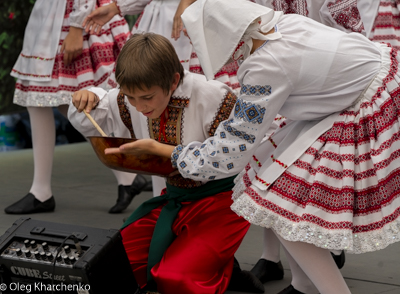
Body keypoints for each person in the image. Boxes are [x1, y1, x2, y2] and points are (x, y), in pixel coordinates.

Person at [110, 0, 400, 293]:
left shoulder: (266, 65)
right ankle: (305, 285)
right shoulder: (280, 26)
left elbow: (233, 149)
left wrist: (171, 153)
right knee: (277, 194)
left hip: (365, 104)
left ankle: (330, 290)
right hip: (368, 85)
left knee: (273, 199)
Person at [68, 33, 265, 294]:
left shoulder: (211, 95)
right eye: (131, 97)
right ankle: (219, 266)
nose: (139, 107)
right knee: (111, 261)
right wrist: (88, 96)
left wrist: (166, 151)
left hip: (222, 202)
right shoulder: (132, 96)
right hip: (174, 199)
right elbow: (99, 108)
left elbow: (237, 154)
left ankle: (225, 273)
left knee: (175, 278)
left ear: (173, 81)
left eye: (147, 98)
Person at [5, 0, 148, 215]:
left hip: (73, 16)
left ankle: (41, 191)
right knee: (59, 102)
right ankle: (127, 178)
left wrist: (76, 27)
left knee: (64, 101)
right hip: (56, 16)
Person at [81, 0, 241, 93]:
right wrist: (116, 7)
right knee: (143, 92)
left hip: (191, 18)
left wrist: (185, 2)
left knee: (195, 94)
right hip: (155, 21)